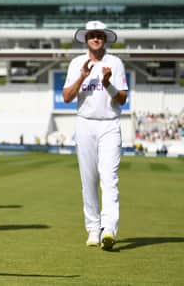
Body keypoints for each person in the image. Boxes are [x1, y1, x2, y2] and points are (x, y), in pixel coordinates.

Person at [63, 20, 128, 251]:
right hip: (85, 123)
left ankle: (108, 228)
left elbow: (122, 99)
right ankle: (93, 227)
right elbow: (67, 97)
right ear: (86, 38)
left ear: (105, 38)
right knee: (88, 179)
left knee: (109, 179)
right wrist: (82, 76)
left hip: (109, 124)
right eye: (92, 35)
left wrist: (108, 84)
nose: (96, 38)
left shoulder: (115, 63)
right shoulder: (76, 63)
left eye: (99, 34)